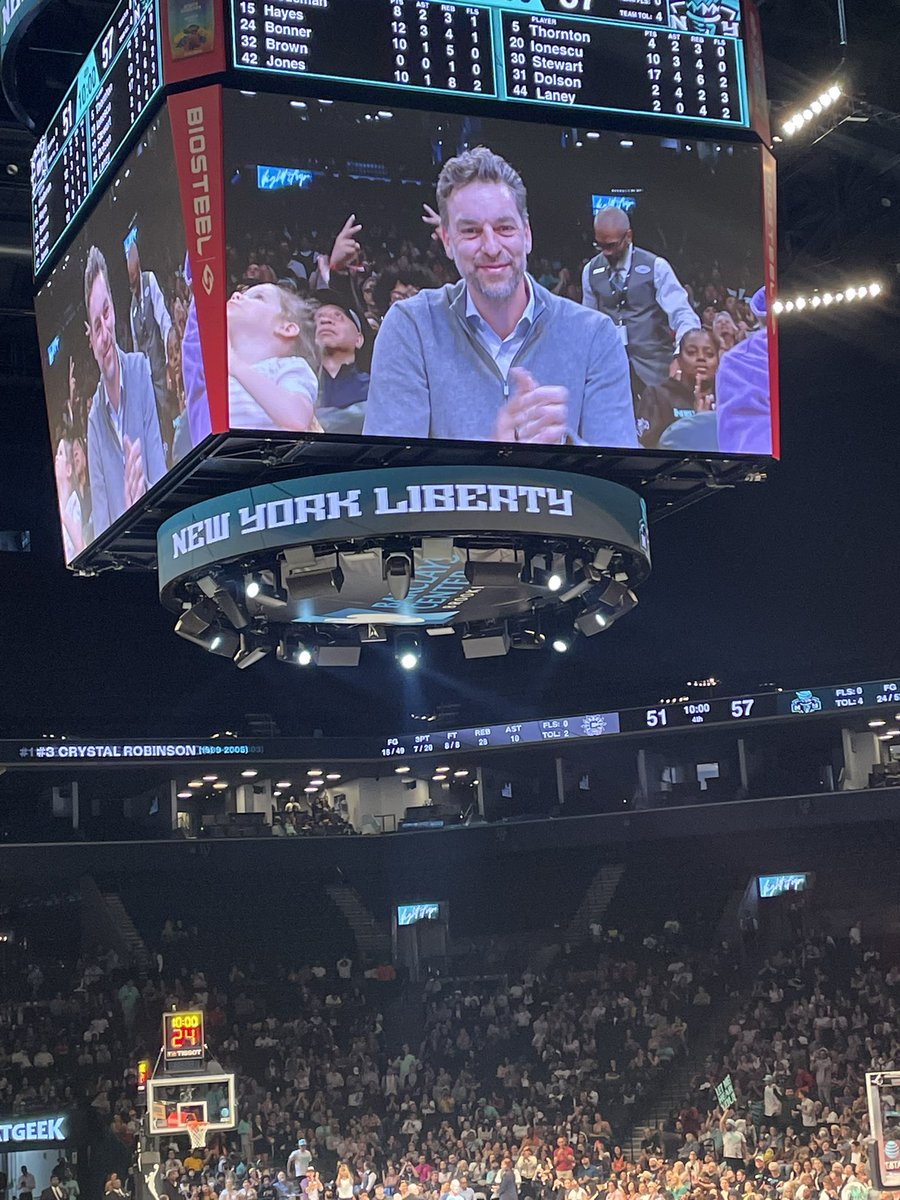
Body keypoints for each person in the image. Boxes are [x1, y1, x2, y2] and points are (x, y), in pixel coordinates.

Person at [364, 146, 635, 448]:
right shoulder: (410, 328)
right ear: (447, 241)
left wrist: (562, 448)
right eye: (471, 231)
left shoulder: (595, 337)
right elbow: (390, 480)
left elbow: (619, 481)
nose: (491, 247)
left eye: (505, 228)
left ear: (527, 235)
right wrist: (494, 455)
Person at [83, 245, 167, 537]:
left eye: (106, 313)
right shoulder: (94, 419)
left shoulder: (139, 369)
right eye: (96, 326)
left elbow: (157, 467)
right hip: (124, 556)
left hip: (157, 532)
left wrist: (145, 501)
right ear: (90, 339)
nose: (104, 333)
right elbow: (102, 515)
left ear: (114, 310)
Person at [581, 206, 699, 394]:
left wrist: (680, 356)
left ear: (628, 236)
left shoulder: (656, 267)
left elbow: (683, 314)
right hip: (610, 374)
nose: (606, 253)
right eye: (600, 245)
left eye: (611, 245)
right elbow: (588, 324)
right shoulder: (590, 271)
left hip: (656, 371)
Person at [227, 283, 321, 432]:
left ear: (287, 328)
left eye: (258, 297)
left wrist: (236, 365)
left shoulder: (289, 366)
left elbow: (297, 418)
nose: (235, 296)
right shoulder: (219, 379)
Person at [125, 233, 173, 451]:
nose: (133, 280)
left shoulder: (149, 280)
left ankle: (173, 442)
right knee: (154, 414)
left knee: (165, 406)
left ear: (139, 266)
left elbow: (162, 315)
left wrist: (170, 352)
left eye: (134, 274)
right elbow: (135, 347)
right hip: (147, 372)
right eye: (130, 277)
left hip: (160, 362)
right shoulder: (132, 306)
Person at [634, 328, 720, 449]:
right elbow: (648, 446)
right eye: (691, 352)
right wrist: (698, 423)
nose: (701, 357)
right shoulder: (657, 395)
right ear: (679, 360)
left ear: (718, 362)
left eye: (709, 354)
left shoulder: (728, 399)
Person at [313, 290, 370, 435]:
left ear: (359, 339)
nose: (325, 321)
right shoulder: (297, 385)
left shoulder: (375, 388)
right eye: (318, 319)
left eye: (338, 316)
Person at [54, 434, 85, 561]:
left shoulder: (74, 501)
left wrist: (63, 515)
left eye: (60, 453)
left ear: (68, 470)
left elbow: (80, 545)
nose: (56, 457)